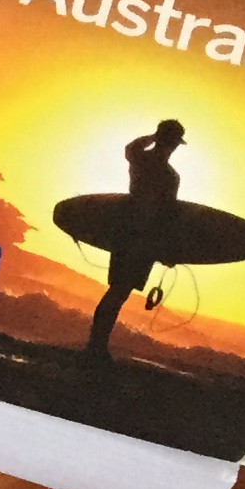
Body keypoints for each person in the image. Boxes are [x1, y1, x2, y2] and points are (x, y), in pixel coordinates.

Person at [86, 119, 185, 361]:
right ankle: (96, 347)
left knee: (118, 291)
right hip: (144, 240)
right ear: (173, 143)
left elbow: (131, 148)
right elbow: (167, 215)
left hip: (126, 232)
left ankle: (96, 344)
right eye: (174, 142)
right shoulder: (169, 175)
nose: (174, 147)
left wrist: (154, 137)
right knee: (119, 292)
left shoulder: (141, 159)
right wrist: (168, 249)